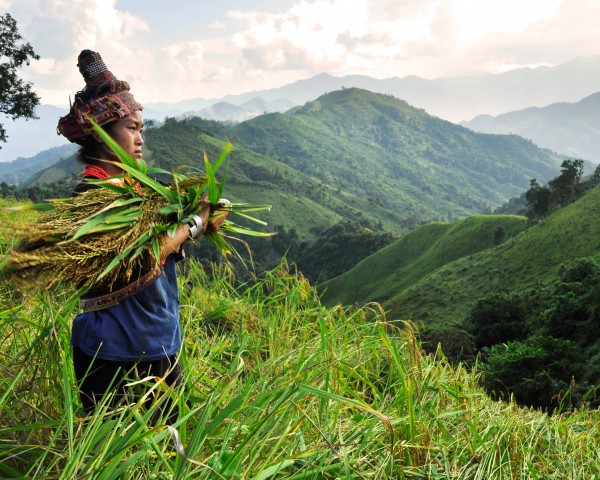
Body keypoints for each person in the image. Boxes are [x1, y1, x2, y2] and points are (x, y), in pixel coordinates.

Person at [57, 50, 227, 420]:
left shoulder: (139, 189)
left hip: (158, 339)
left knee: (169, 448)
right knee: (115, 455)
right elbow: (141, 257)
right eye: (131, 128)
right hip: (113, 351)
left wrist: (199, 222)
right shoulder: (94, 198)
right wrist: (193, 225)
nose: (141, 139)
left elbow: (165, 248)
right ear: (102, 134)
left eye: (141, 128)